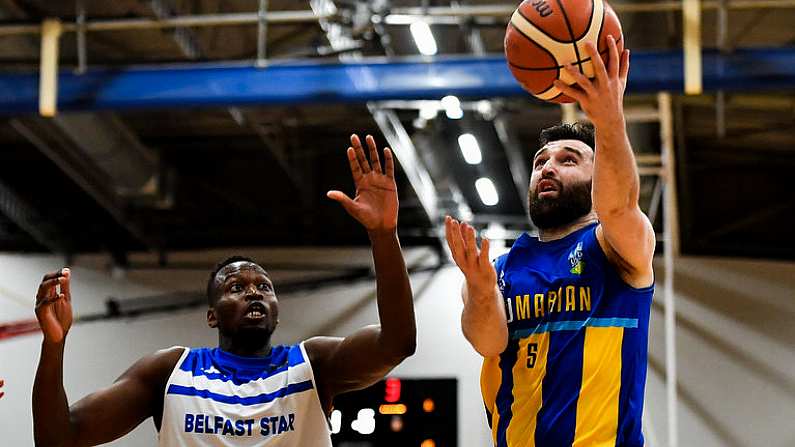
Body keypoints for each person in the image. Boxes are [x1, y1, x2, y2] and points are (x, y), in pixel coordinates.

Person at [32, 134, 416, 447]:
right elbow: (59, 438)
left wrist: (383, 236)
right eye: (236, 287)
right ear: (212, 314)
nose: (254, 293)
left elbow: (397, 343)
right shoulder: (169, 372)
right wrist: (54, 344)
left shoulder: (313, 364)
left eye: (264, 286)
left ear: (277, 309)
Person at [445, 36, 655, 446]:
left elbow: (617, 207)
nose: (548, 168)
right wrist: (481, 290)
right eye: (541, 161)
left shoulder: (615, 248)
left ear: (599, 179)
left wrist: (610, 120)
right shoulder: (502, 269)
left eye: (569, 160)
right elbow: (487, 342)